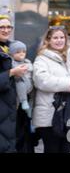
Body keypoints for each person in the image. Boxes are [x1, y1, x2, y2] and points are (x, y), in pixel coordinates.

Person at [33, 26, 70, 153]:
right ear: (48, 40)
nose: (59, 40)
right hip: (50, 115)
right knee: (52, 149)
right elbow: (42, 80)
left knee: (69, 148)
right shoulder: (41, 58)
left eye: (62, 37)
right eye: (55, 38)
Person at [0, 15, 27, 153]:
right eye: (2, 27)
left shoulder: (13, 47)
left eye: (8, 27)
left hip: (11, 110)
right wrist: (11, 72)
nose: (6, 30)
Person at [9, 41, 33, 118]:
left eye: (23, 51)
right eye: (18, 52)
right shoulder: (12, 62)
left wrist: (28, 67)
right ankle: (23, 101)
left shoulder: (27, 61)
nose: (21, 54)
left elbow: (31, 67)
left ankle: (29, 108)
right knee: (20, 85)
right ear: (12, 54)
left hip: (29, 84)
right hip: (19, 82)